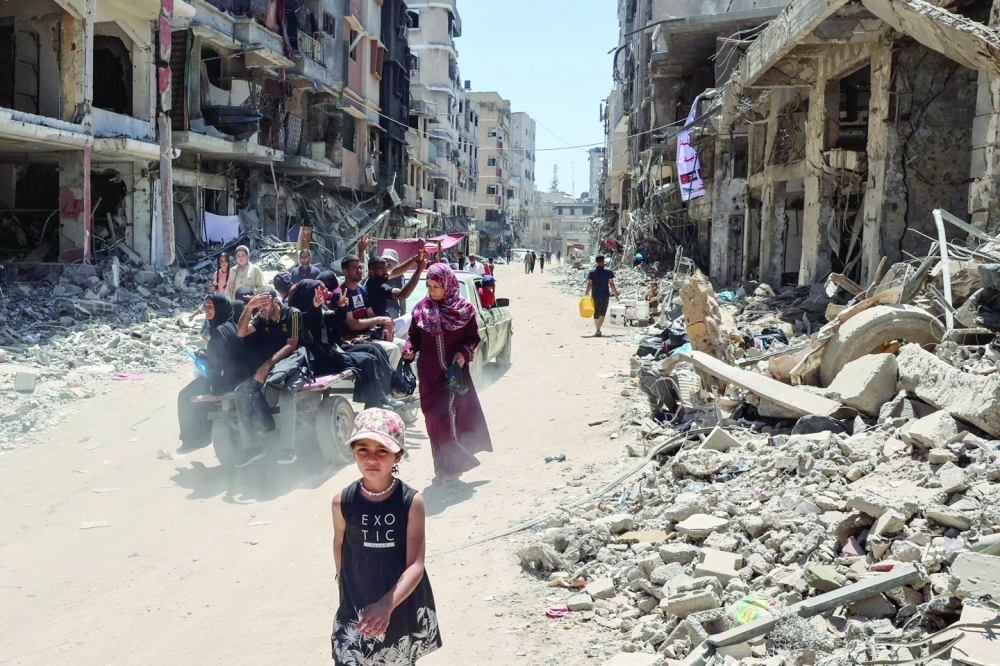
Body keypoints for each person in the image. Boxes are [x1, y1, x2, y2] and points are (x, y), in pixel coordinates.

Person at [332, 408, 441, 665]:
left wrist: (386, 605)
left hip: (398, 599)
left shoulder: (411, 502)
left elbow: (416, 564)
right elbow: (340, 544)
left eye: (382, 450)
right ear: (353, 453)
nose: (372, 458)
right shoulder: (342, 502)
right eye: (363, 450)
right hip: (357, 600)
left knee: (395, 658)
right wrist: (344, 586)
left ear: (398, 456)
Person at [401, 264, 492, 486]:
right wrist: (409, 349)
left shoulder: (464, 310)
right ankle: (441, 468)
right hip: (429, 378)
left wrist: (462, 354)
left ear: (447, 285)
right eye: (429, 286)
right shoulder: (421, 310)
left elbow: (473, 339)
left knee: (449, 419)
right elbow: (414, 336)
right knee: (433, 422)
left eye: (436, 286)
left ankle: (452, 469)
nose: (431, 291)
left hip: (454, 379)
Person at [287, 280, 400, 410]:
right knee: (367, 360)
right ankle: (375, 402)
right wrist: (314, 307)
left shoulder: (319, 307)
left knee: (374, 350)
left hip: (333, 347)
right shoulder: (297, 314)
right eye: (319, 290)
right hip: (321, 358)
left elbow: (333, 320)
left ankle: (385, 394)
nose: (323, 293)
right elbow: (308, 321)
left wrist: (341, 307)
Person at [177, 293, 253, 454]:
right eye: (205, 307)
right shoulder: (231, 325)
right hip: (236, 376)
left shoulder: (219, 330)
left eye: (211, 307)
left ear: (220, 308)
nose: (207, 310)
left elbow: (220, 364)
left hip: (226, 380)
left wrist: (215, 391)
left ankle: (194, 440)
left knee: (185, 395)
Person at [235, 287, 302, 466]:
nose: (261, 308)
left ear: (275, 300)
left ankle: (288, 449)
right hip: (273, 368)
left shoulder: (292, 314)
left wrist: (266, 366)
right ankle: (252, 448)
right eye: (259, 305)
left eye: (264, 304)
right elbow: (241, 333)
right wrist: (249, 308)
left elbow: (292, 345)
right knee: (240, 393)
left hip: (295, 363)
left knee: (286, 395)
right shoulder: (261, 319)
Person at [341, 254, 401, 367]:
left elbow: (371, 315)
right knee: (393, 349)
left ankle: (405, 381)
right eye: (354, 268)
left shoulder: (361, 290)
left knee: (404, 345)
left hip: (369, 335)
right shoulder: (341, 294)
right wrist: (381, 319)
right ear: (345, 271)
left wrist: (385, 325)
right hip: (354, 340)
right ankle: (390, 383)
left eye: (360, 267)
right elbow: (353, 325)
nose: (359, 270)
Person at [367, 250, 428, 320]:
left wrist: (415, 259)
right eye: (381, 269)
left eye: (385, 268)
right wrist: (419, 270)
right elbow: (402, 294)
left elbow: (393, 273)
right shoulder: (376, 286)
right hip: (378, 323)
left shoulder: (377, 277)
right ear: (372, 272)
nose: (385, 272)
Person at [585, 255, 619, 338]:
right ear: (603, 261)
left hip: (595, 295)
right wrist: (616, 295)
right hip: (605, 295)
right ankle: (598, 329)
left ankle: (597, 329)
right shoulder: (608, 271)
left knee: (596, 312)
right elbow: (612, 284)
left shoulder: (592, 272)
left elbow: (590, 284)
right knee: (602, 312)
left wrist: (586, 293)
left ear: (596, 262)